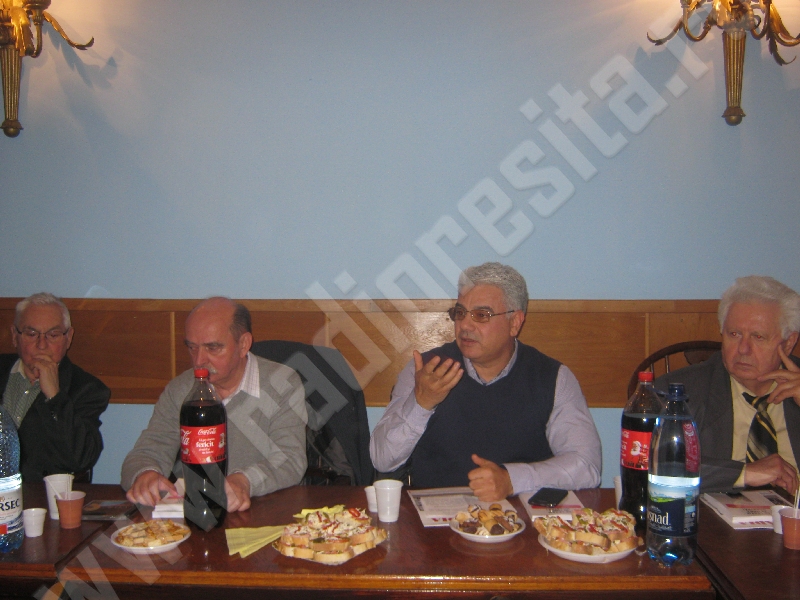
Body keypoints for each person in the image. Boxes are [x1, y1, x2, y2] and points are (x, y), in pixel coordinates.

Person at [370, 262, 601, 502]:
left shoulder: (552, 377)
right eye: (460, 313)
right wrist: (421, 403)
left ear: (515, 322)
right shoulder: (427, 370)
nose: (465, 325)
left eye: (481, 315)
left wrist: (513, 480)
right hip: (435, 517)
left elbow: (587, 466)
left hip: (521, 517)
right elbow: (382, 459)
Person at [121, 297, 307, 512]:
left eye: (213, 348)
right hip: (197, 512)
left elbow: (291, 459)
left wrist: (245, 481)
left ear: (243, 344)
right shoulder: (181, 389)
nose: (199, 360)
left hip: (265, 510)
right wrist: (145, 474)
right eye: (192, 347)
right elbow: (148, 450)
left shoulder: (281, 383)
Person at [655, 275, 800, 494]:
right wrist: (744, 473)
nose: (743, 349)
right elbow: (659, 464)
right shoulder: (679, 392)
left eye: (758, 337)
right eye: (734, 334)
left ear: (789, 343)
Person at [0, 293, 110, 482]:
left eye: (53, 335)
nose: (42, 345)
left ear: (68, 338)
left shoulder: (86, 389)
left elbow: (80, 459)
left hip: (38, 495)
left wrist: (55, 397)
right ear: (14, 336)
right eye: (31, 334)